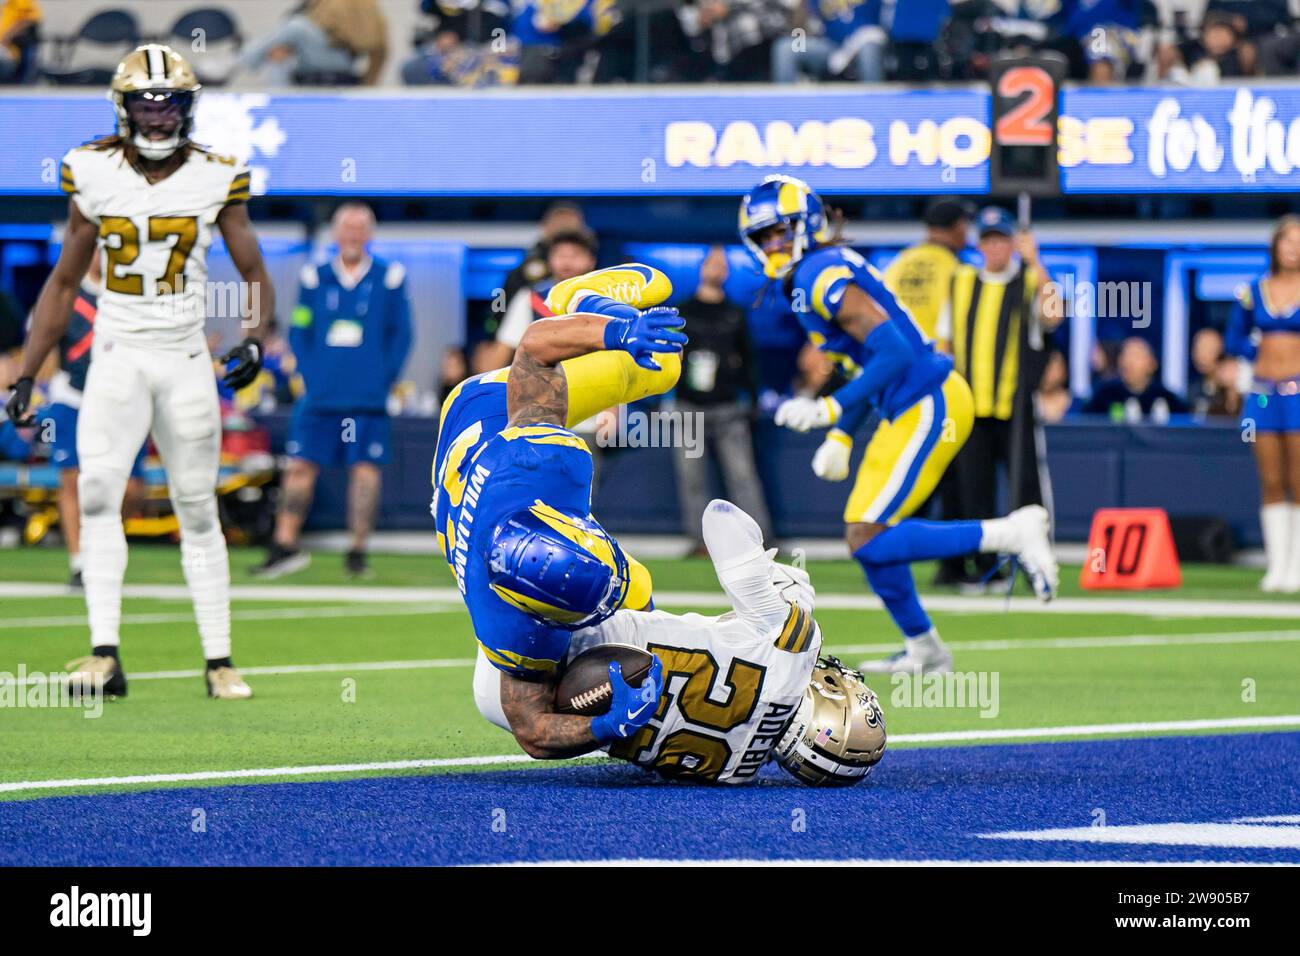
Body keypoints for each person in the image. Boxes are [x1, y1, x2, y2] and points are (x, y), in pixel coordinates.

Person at [4, 45, 273, 700]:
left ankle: (218, 659)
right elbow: (65, 282)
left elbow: (254, 275)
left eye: (169, 105)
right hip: (117, 352)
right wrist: (28, 371)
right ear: (122, 109)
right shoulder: (91, 169)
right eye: (145, 106)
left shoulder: (217, 174)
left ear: (188, 108)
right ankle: (103, 654)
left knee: (196, 505)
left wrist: (254, 339)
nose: (157, 119)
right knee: (96, 493)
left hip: (184, 356)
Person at [739, 174, 1058, 676]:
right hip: (908, 403)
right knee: (864, 535)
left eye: (781, 231)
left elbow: (895, 351)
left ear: (808, 224)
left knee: (869, 536)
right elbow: (868, 362)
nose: (774, 244)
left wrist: (830, 410)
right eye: (764, 238)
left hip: (929, 398)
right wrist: (843, 433)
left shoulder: (818, 273)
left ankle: (1011, 532)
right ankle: (926, 649)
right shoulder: (815, 271)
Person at [439, 264, 683, 759]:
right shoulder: (508, 625)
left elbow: (534, 346)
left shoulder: (542, 462)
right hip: (475, 493)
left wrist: (618, 329)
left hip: (486, 409)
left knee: (665, 363)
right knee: (496, 702)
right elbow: (530, 730)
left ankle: (581, 296)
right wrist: (605, 728)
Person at [479, 498, 888, 786]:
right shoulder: (733, 775)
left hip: (549, 616)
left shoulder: (795, 647)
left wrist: (778, 581)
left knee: (629, 581)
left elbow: (719, 518)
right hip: (521, 709)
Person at [253, 203, 412, 580]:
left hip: (367, 400)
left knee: (365, 471)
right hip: (320, 398)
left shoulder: (390, 277)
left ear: (370, 234)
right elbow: (300, 328)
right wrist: (312, 373)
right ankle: (284, 545)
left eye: (360, 228)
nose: (353, 235)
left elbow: (401, 334)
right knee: (299, 467)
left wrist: (382, 376)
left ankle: (357, 551)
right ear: (336, 234)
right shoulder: (315, 276)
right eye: (347, 228)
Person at [936, 207, 1062, 586]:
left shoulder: (1026, 279)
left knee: (1026, 488)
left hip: (1014, 406)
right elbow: (945, 340)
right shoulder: (961, 281)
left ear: (1012, 243)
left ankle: (1034, 564)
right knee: (973, 488)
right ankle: (983, 565)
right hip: (969, 406)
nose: (995, 247)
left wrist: (1035, 262)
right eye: (988, 240)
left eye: (1001, 240)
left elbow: (1054, 315)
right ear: (979, 244)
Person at [33, 253, 147, 589]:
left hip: (121, 400)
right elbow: (46, 343)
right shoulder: (66, 291)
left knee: (132, 489)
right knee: (74, 480)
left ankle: (105, 547)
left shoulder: (131, 294)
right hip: (72, 398)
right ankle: (80, 561)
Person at [669, 246, 772, 552]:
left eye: (722, 265)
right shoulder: (683, 311)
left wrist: (752, 401)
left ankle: (759, 539)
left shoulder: (734, 313)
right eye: (712, 263)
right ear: (702, 267)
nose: (717, 269)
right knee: (692, 479)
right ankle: (700, 542)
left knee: (743, 477)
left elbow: (749, 360)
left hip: (728, 406)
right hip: (689, 406)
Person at [1227, 216, 1300, 592]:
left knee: (1298, 479)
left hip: (1299, 393)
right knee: (1271, 479)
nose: (1293, 249)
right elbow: (1233, 337)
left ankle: (1298, 565)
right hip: (1261, 394)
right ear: (1275, 246)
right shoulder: (1254, 291)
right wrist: (1256, 350)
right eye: (1287, 241)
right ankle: (1278, 565)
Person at [481, 228, 598, 372]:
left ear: (591, 261)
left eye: (575, 255)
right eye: (560, 255)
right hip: (547, 387)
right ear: (549, 259)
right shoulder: (531, 299)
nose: (567, 262)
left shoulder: (607, 297)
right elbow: (503, 350)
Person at [230, 0, 389, 87]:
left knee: (289, 38)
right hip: (339, 75)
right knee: (279, 56)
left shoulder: (303, 26)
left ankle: (243, 60)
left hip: (324, 71)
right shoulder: (364, 21)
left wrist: (367, 83)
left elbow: (250, 57)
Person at [884, 197, 972, 341]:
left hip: (899, 356)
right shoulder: (958, 270)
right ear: (959, 227)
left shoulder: (898, 263)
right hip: (939, 357)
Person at [773, 1, 884, 84]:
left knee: (869, 47)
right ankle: (785, 107)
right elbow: (802, 25)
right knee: (786, 47)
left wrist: (850, 50)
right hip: (832, 46)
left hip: (865, 42)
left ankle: (874, 104)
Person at [1084, 337, 1189, 421]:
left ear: (1152, 364)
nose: (1128, 362)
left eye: (1136, 356)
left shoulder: (1169, 400)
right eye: (1124, 355)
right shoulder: (1103, 397)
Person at [0, 0, 40, 83]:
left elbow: (29, 19)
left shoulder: (21, 1)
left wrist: (7, 36)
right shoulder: (8, 4)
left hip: (17, 50)